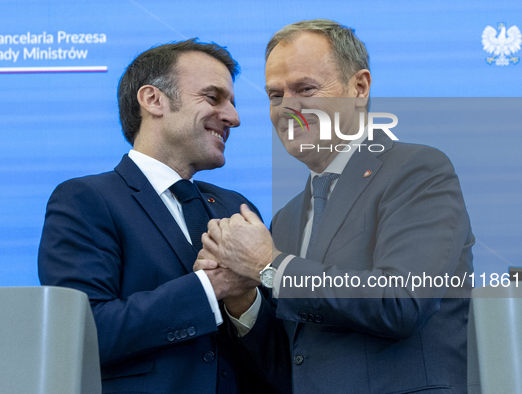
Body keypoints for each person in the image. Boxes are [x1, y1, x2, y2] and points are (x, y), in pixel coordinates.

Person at [197, 20, 475, 394]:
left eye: (305, 88)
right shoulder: (287, 218)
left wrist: (269, 265)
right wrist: (242, 296)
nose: (287, 108)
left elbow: (403, 302)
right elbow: (292, 361)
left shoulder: (418, 170)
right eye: (275, 95)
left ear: (359, 88)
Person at [38, 39, 264, 394]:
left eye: (232, 102)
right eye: (213, 97)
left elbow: (280, 353)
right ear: (153, 100)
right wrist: (213, 286)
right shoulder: (86, 200)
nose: (233, 117)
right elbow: (81, 333)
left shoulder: (238, 209)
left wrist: (242, 302)